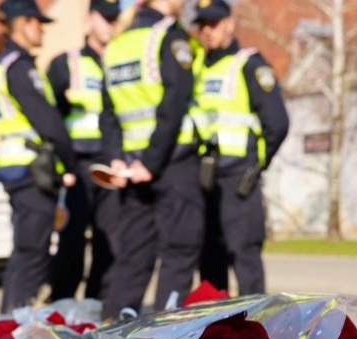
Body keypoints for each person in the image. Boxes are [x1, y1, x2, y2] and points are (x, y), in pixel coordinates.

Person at [100, 0, 205, 320]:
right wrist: (151, 161)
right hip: (171, 162)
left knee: (133, 255)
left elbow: (108, 112)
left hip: (132, 167)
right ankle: (165, 337)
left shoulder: (117, 44)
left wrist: (117, 159)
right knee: (179, 251)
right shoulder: (169, 36)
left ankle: (111, 331)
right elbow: (174, 102)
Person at [0, 0, 78, 313]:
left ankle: (6, 323)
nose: (42, 30)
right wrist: (71, 164)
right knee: (33, 256)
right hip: (32, 170)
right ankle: (14, 325)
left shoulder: (3, 64)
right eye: (38, 23)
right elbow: (49, 124)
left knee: (24, 253)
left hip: (18, 169)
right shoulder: (20, 67)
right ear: (23, 23)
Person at [193, 0, 289, 295]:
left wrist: (257, 164)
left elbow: (277, 123)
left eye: (214, 24)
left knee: (244, 255)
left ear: (229, 24)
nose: (207, 31)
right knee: (209, 257)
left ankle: (255, 321)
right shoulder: (196, 67)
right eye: (203, 25)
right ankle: (215, 320)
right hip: (204, 177)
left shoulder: (248, 64)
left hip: (238, 179)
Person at [45, 0, 123, 302]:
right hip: (76, 165)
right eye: (105, 18)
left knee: (109, 241)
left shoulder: (121, 64)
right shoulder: (66, 63)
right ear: (90, 19)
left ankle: (95, 307)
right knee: (71, 241)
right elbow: (49, 119)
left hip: (110, 164)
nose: (111, 25)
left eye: (115, 19)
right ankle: (61, 306)